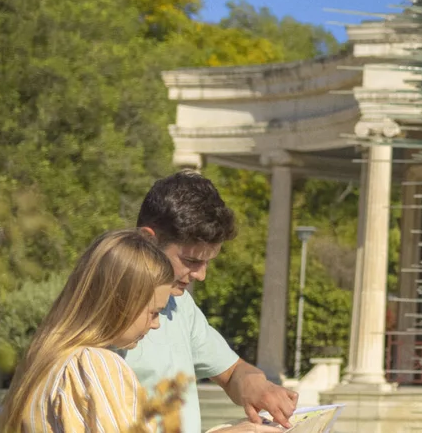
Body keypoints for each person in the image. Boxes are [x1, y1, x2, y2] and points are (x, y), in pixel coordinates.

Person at [0, 229, 282, 433]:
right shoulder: (94, 365)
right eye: (154, 312)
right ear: (122, 302)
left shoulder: (41, 362)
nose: (156, 324)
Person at [123, 170, 299, 433]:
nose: (201, 276)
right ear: (149, 239)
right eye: (191, 261)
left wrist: (256, 385)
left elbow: (230, 371)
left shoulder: (179, 304)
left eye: (207, 262)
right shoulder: (104, 312)